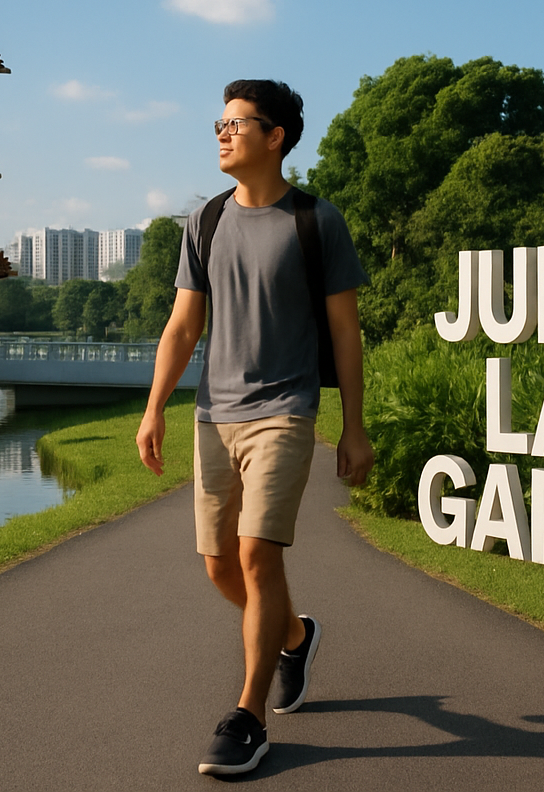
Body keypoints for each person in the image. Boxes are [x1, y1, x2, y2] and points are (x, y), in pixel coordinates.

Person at [136, 79, 374, 777]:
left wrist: (352, 426)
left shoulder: (315, 220)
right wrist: (154, 407)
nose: (222, 133)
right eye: (220, 122)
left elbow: (344, 329)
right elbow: (183, 325)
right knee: (218, 566)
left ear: (276, 138)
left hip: (286, 412)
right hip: (215, 416)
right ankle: (295, 637)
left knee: (255, 558)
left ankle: (248, 716)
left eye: (237, 124)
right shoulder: (204, 222)